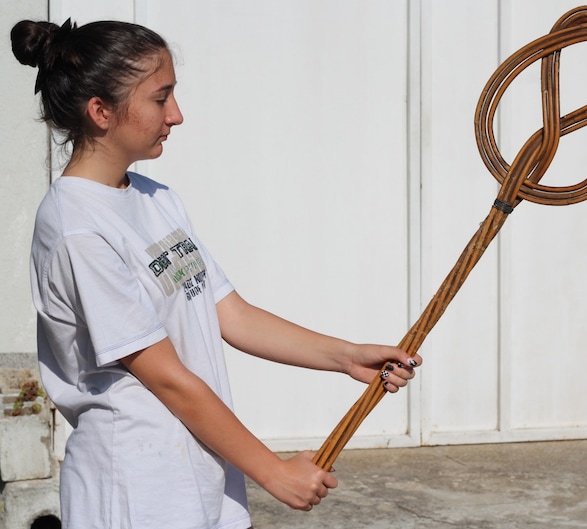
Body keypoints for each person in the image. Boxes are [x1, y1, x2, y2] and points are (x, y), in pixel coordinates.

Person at [11, 18, 421, 529]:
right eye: (161, 99)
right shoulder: (77, 229)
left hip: (201, 474)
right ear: (101, 112)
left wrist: (347, 357)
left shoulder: (153, 198)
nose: (177, 115)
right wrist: (272, 471)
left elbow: (232, 315)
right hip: (136, 491)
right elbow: (166, 377)